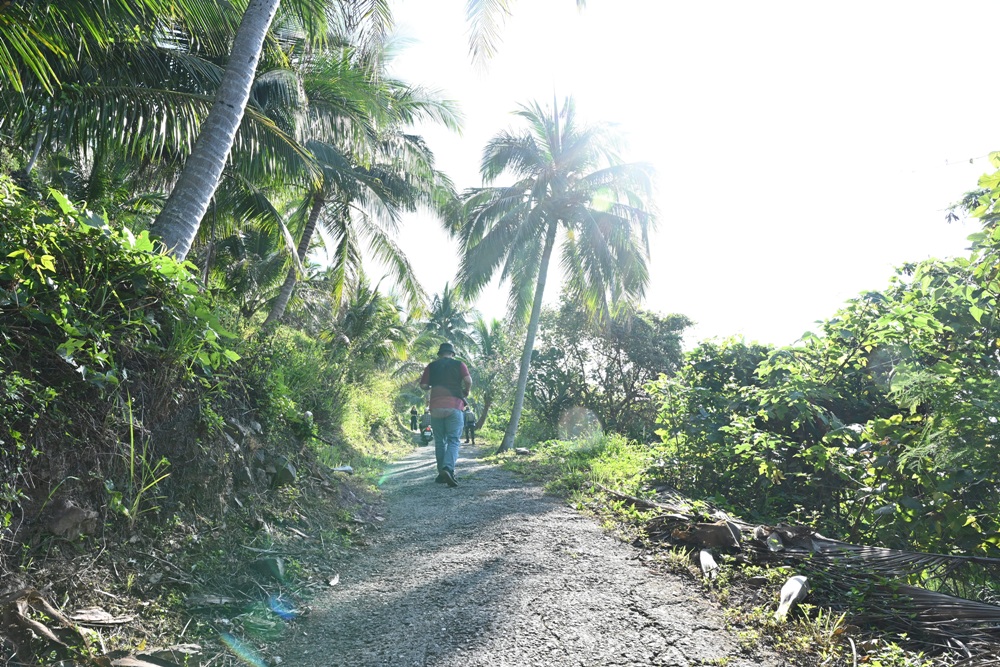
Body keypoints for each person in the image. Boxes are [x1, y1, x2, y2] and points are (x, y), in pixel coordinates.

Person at [419, 342, 472, 487]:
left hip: (436, 406)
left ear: (440, 354)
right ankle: (448, 468)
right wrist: (466, 391)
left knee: (439, 441)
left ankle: (441, 474)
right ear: (452, 354)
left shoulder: (432, 366)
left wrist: (432, 386)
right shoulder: (459, 364)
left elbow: (423, 385)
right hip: (454, 405)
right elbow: (468, 380)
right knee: (453, 440)